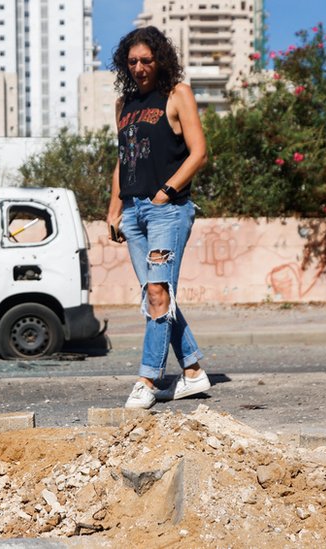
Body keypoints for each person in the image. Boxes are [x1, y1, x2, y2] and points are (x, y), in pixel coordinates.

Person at [106, 26, 210, 409]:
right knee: (157, 296)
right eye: (132, 61)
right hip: (132, 213)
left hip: (168, 210)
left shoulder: (177, 94)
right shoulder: (124, 105)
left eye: (146, 60)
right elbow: (123, 160)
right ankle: (194, 371)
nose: (139, 67)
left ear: (159, 60)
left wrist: (166, 192)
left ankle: (148, 378)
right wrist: (114, 209)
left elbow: (198, 152)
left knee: (157, 292)